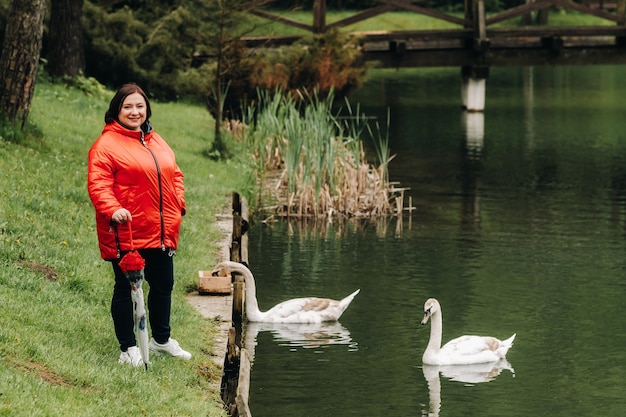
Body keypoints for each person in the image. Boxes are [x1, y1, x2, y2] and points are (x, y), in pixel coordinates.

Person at [87, 83, 191, 366]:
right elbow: (99, 185)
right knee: (125, 288)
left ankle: (161, 341)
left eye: (140, 106)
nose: (135, 112)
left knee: (164, 284)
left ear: (147, 109)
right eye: (128, 107)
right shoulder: (105, 146)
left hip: (160, 231)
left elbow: (175, 173)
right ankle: (128, 349)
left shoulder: (155, 139)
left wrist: (177, 203)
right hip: (128, 231)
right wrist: (113, 209)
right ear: (117, 110)